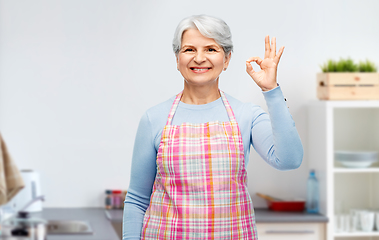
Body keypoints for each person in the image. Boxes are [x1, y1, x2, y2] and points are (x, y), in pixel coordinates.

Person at [123, 14, 303, 240]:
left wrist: (271, 90)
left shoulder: (245, 115)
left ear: (226, 59)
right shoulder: (154, 119)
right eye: (189, 50)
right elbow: (137, 199)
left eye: (211, 49)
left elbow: (290, 159)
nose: (199, 58)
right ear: (177, 58)